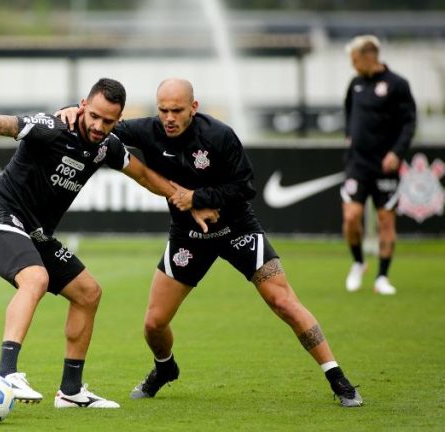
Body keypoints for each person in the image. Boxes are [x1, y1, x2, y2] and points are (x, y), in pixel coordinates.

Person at [57, 77, 363, 407]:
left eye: (177, 110)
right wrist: (73, 109)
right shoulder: (146, 130)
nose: (169, 117)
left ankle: (338, 379)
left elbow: (246, 187)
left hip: (237, 229)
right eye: (163, 110)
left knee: (283, 301)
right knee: (153, 324)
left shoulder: (219, 136)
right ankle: (165, 368)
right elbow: (101, 124)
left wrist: (198, 197)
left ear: (194, 107)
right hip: (188, 237)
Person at [0, 78, 215, 409]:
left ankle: (70, 390)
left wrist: (185, 197)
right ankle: (6, 373)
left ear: (118, 120)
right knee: (35, 278)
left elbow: (143, 175)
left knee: (88, 293)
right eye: (93, 116)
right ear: (82, 105)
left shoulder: (106, 146)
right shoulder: (51, 128)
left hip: (35, 232)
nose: (98, 126)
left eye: (108, 121)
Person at [341, 35, 416, 295]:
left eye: (354, 59)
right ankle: (358, 262)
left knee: (386, 220)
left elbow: (409, 123)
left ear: (368, 55)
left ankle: (382, 277)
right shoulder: (355, 84)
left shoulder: (397, 85)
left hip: (385, 166)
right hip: (357, 165)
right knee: (351, 217)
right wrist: (350, 137)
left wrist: (397, 152)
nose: (352, 65)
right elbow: (349, 114)